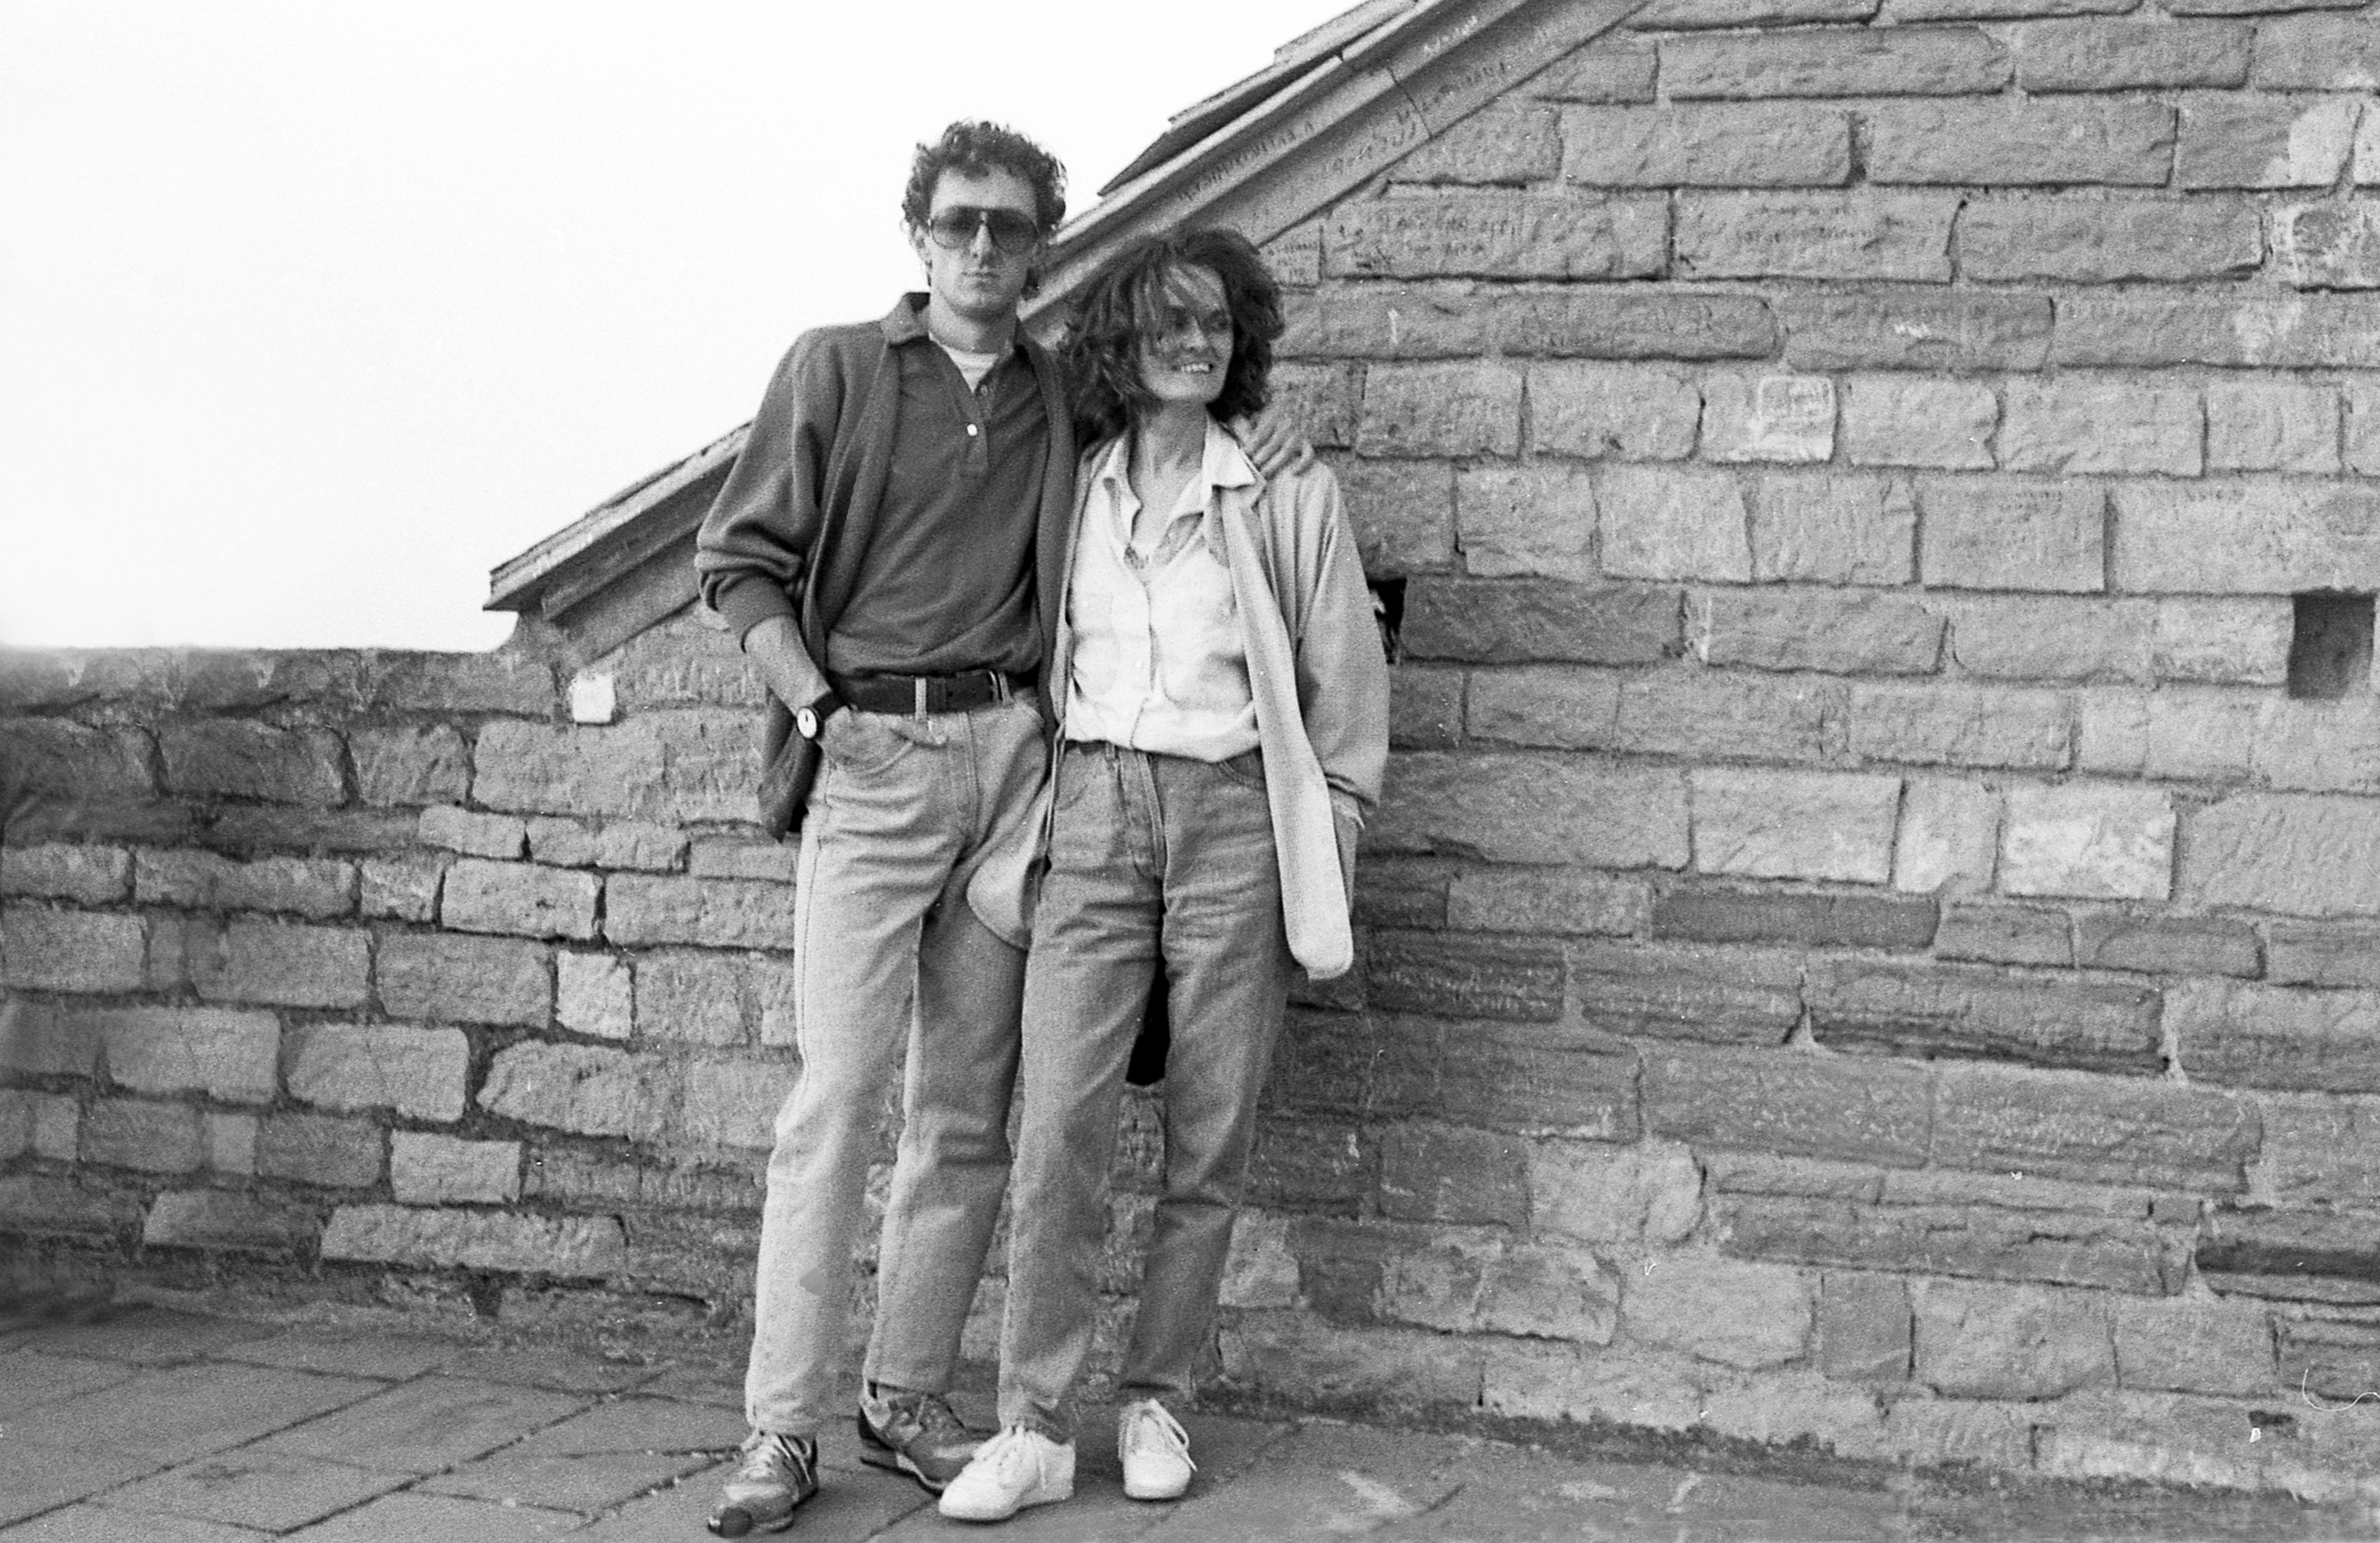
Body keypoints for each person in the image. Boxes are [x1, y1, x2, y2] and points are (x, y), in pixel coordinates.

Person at [692, 127, 1306, 1539]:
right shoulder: (837, 369)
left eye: (1010, 227)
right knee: (836, 1105)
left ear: (1039, 248)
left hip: (1017, 776)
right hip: (873, 759)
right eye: (960, 222)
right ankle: (779, 1429)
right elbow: (738, 559)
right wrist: (817, 707)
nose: (982, 246)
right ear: (920, 235)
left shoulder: (1054, 396)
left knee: (967, 1119)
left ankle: (904, 1401)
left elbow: (1188, 436)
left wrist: (1277, 431)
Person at [936, 227, 1390, 1523]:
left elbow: (1346, 687)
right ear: (1121, 347)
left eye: (1216, 325)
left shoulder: (1285, 488)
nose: (1194, 345)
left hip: (1234, 814)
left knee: (1211, 1125)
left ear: (1240, 340)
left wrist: (1333, 828)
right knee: (1060, 1121)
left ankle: (1158, 1396)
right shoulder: (1077, 480)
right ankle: (1032, 1422)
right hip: (1093, 803)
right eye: (1165, 326)